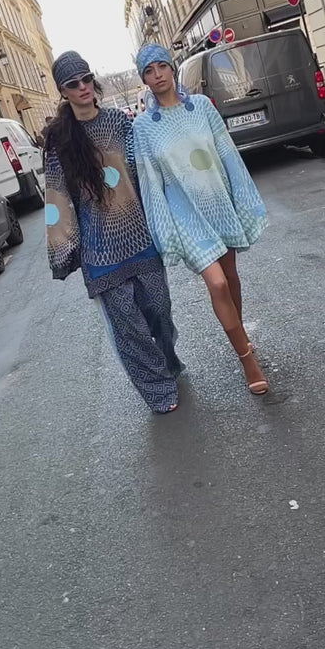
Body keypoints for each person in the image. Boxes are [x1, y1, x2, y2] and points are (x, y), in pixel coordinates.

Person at [44, 50, 183, 414]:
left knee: (160, 312)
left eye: (87, 79)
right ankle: (157, 388)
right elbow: (56, 197)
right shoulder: (59, 141)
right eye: (73, 84)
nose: (83, 87)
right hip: (100, 251)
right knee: (130, 329)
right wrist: (63, 248)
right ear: (63, 91)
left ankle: (167, 360)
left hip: (140, 236)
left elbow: (144, 170)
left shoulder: (120, 122)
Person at [132, 44, 269, 396]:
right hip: (185, 217)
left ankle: (241, 338)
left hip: (218, 203)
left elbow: (227, 154)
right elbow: (150, 182)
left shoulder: (203, 107)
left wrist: (243, 198)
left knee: (231, 277)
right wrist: (164, 232)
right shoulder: (144, 127)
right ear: (144, 79)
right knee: (218, 284)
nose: (157, 75)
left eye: (162, 66)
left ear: (172, 68)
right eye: (149, 71)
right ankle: (247, 360)